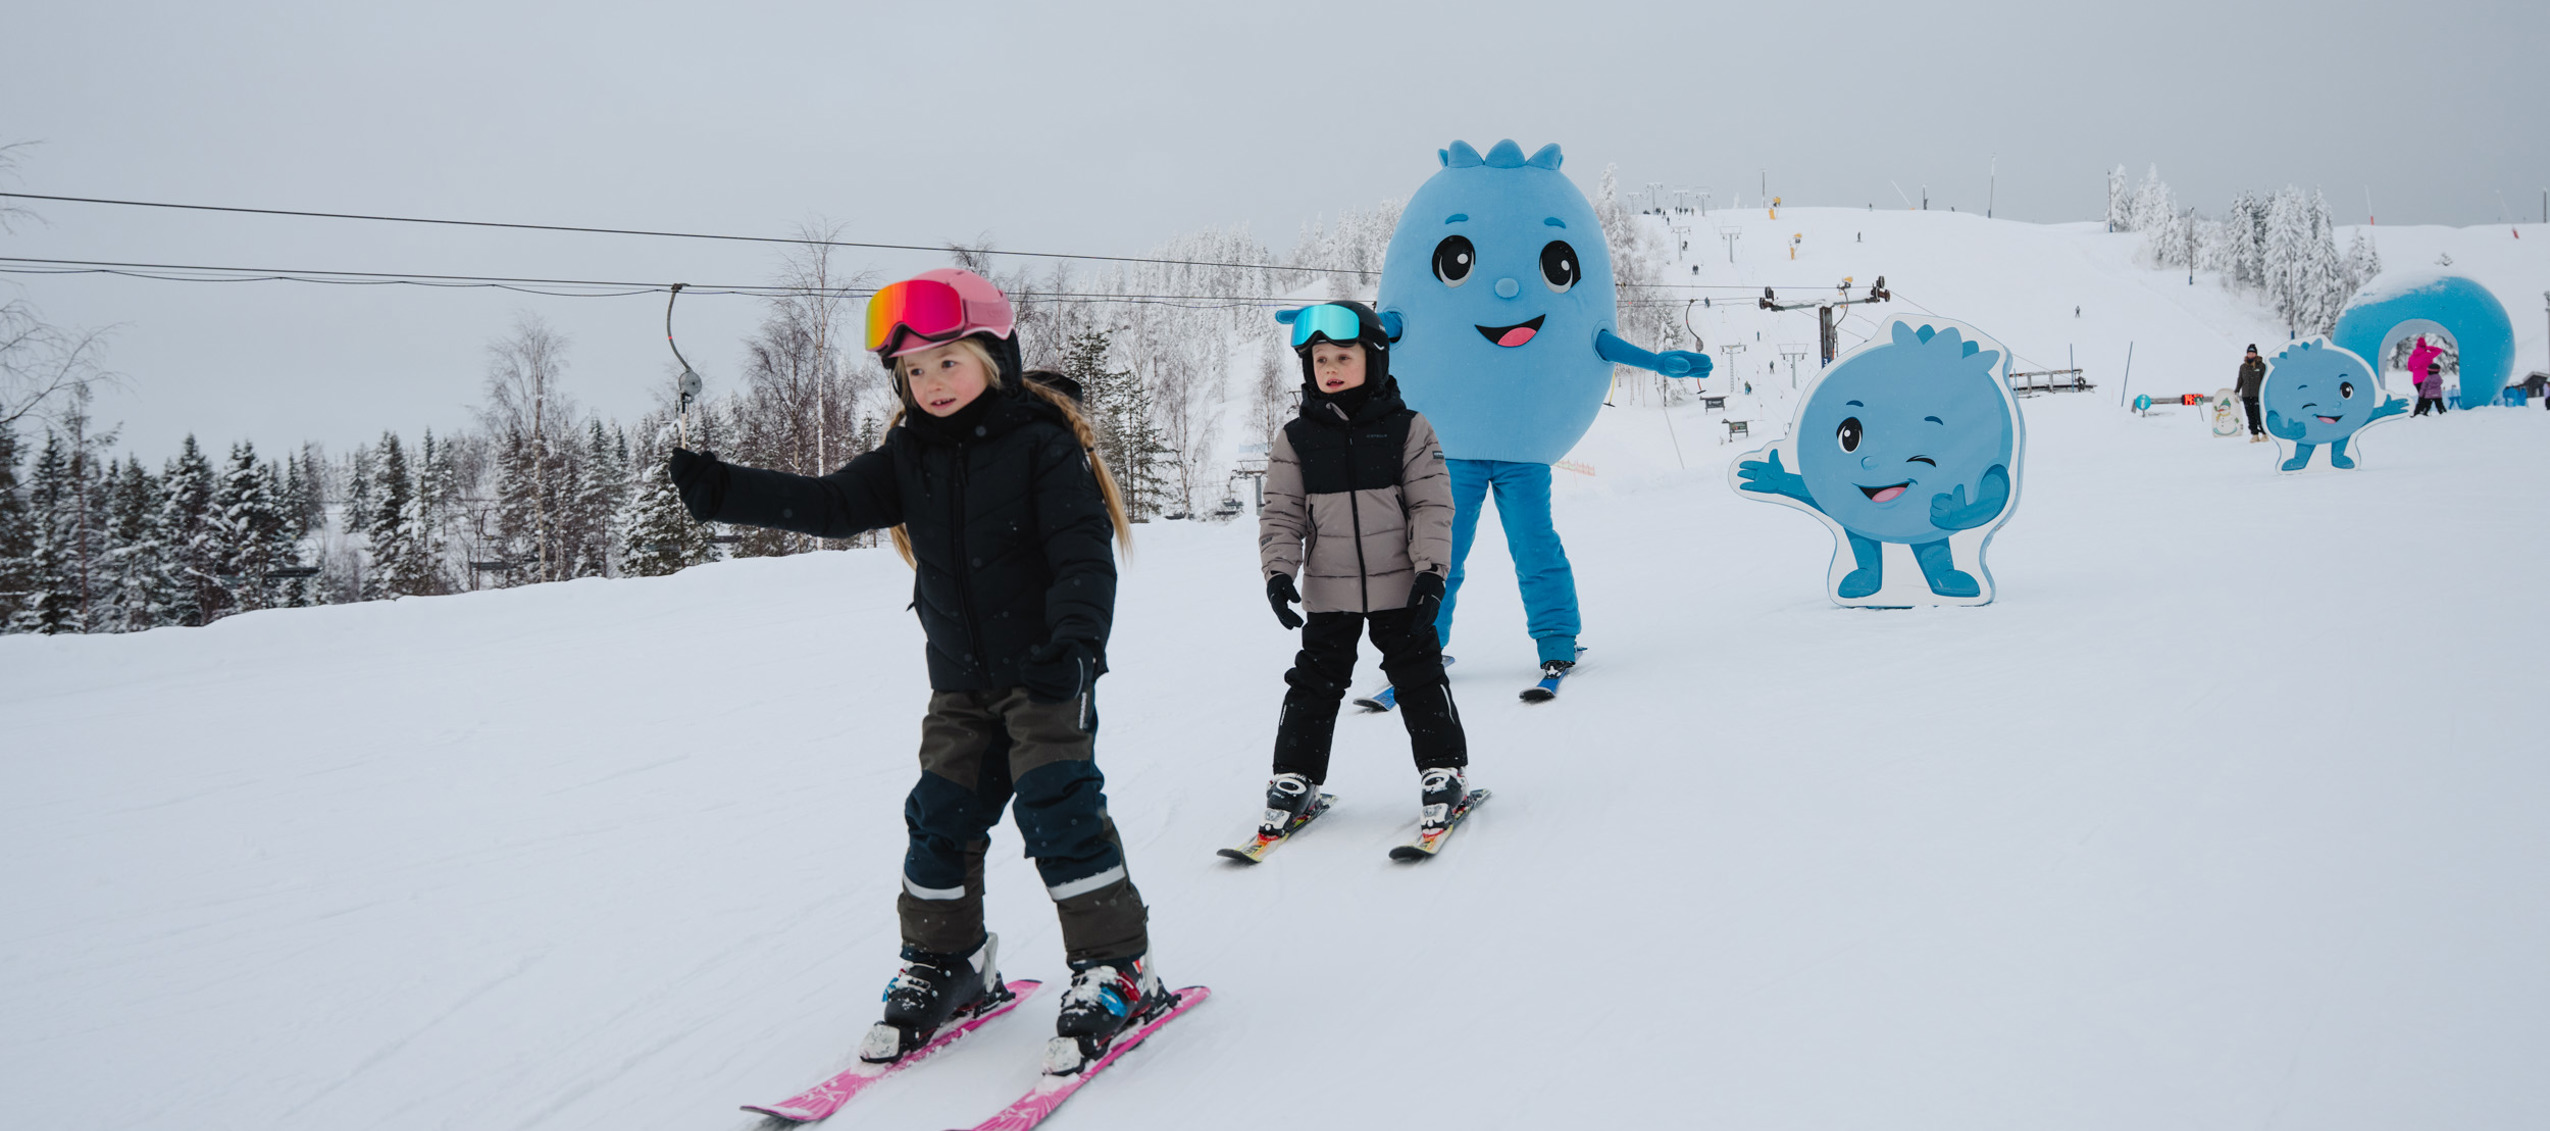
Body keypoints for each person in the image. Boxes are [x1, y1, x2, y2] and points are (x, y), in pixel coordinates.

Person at [666, 268, 1168, 1077]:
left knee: (1057, 809)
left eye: (948, 361)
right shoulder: (910, 454)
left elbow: (1083, 556)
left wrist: (1077, 646)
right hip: (962, 681)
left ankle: (1118, 967)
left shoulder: (1042, 444)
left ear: (993, 357)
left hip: (1046, 674)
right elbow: (830, 504)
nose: (931, 384)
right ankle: (950, 962)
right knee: (940, 817)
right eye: (914, 370)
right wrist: (721, 489)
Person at [1256, 301, 1468, 838]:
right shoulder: (1296, 438)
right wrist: (1279, 574)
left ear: (1373, 359)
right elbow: (1280, 513)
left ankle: (1444, 771)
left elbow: (1432, 507)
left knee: (1418, 677)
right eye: (1320, 359)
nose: (1329, 368)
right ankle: (1294, 778)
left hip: (1401, 587)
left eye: (1342, 357)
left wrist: (1431, 574)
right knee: (1313, 685)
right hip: (1329, 590)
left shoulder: (1408, 429)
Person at [2409, 336, 2447, 416]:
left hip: (2416, 380)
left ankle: (2419, 412)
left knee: (2422, 396)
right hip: (2427, 379)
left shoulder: (2412, 357)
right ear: (2424, 345)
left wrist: (2417, 370)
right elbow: (2439, 350)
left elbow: (2410, 368)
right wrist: (2428, 347)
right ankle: (2422, 412)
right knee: (2428, 397)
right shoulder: (2427, 354)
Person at [2236, 344, 2268, 441]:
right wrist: (2237, 390)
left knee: (2259, 415)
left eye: (2252, 353)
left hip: (2257, 395)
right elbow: (2240, 379)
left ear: (2256, 354)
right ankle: (2254, 434)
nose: (2251, 355)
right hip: (2246, 395)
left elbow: (2265, 380)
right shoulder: (2243, 367)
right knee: (2250, 415)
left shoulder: (2261, 366)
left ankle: (2264, 433)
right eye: (2249, 353)